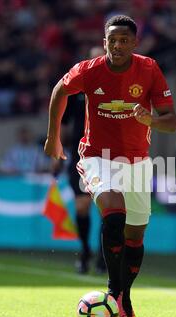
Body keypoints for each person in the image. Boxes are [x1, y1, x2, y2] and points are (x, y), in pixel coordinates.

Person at [44, 15, 176, 317]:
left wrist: (151, 120)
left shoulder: (149, 69)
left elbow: (172, 121)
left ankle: (124, 297)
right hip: (97, 157)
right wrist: (53, 137)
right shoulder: (89, 70)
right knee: (114, 213)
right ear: (105, 42)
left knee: (135, 236)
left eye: (123, 40)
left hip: (137, 162)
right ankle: (112, 289)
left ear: (134, 43)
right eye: (112, 40)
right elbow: (59, 91)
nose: (117, 46)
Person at [58, 46, 106, 275]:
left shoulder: (116, 87)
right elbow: (65, 125)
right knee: (83, 205)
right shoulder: (77, 88)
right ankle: (86, 251)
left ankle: (103, 256)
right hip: (82, 155)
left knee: (107, 207)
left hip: (109, 155)